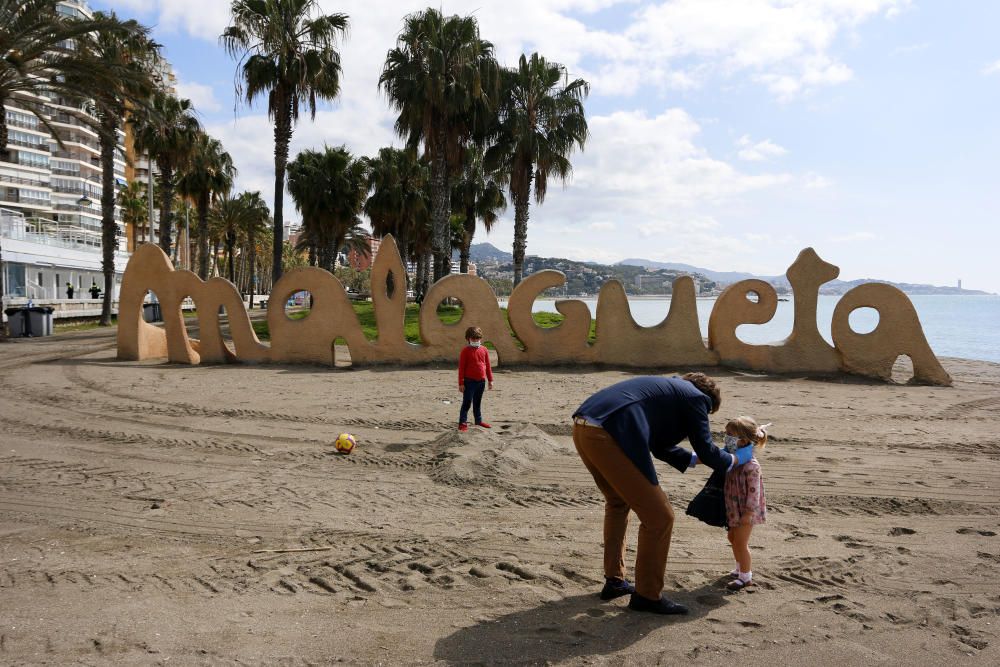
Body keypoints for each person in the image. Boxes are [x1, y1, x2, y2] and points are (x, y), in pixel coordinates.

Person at [572, 373, 755, 615]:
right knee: (660, 518)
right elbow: (708, 450)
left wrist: (697, 459)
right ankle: (647, 595)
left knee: (618, 503)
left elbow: (660, 445)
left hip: (583, 428)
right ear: (708, 402)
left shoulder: (667, 390)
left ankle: (615, 581)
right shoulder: (697, 398)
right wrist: (735, 459)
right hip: (610, 434)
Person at [723, 416, 769, 591]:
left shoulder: (751, 466)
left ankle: (745, 577)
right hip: (734, 508)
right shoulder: (734, 461)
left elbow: (754, 493)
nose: (726, 437)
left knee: (741, 542)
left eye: (729, 434)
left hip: (746, 511)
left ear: (742, 440)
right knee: (732, 538)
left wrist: (749, 513)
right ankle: (739, 568)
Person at [457, 326, 494, 432]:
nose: (476, 341)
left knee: (477, 402)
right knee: (467, 402)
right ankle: (462, 423)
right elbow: (461, 368)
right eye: (473, 339)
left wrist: (490, 380)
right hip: (469, 382)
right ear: (468, 339)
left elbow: (488, 365)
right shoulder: (465, 351)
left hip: (481, 381)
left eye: (478, 338)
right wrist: (461, 383)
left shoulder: (484, 349)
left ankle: (478, 420)